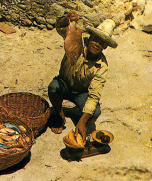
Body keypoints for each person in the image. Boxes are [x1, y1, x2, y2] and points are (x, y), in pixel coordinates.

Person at [48, 11, 118, 141]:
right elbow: (61, 28)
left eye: (101, 42)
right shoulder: (76, 43)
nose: (97, 44)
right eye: (95, 39)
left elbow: (94, 95)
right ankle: (60, 115)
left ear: (105, 47)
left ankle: (80, 117)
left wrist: (82, 122)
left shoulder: (102, 67)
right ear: (89, 37)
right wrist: (67, 19)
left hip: (81, 93)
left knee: (95, 111)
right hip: (64, 85)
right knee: (53, 87)